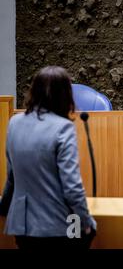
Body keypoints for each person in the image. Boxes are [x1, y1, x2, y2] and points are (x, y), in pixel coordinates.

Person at [0, 66, 96, 249]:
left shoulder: (14, 122)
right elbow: (72, 187)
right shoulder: (63, 127)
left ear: (34, 90)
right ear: (65, 95)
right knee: (85, 232)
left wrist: (3, 210)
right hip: (59, 224)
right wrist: (86, 221)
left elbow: (11, 176)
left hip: (22, 225)